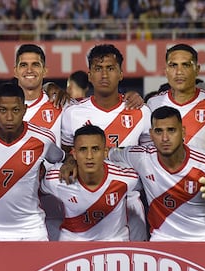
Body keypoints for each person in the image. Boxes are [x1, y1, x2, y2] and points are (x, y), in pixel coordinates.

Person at [61, 44, 152, 241]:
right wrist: (69, 161)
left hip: (130, 206)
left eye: (110, 68)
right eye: (98, 69)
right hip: (83, 207)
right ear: (90, 75)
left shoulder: (141, 112)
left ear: (120, 74)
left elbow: (148, 157)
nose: (104, 75)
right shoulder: (72, 113)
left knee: (131, 268)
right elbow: (67, 153)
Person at [108, 106, 205, 241]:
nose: (165, 138)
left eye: (171, 130)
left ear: (182, 132)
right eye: (159, 131)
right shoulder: (140, 157)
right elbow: (105, 153)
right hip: (162, 240)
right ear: (151, 135)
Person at [0, 83, 64, 241]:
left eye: (16, 110)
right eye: (3, 110)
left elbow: (60, 160)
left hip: (31, 229)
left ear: (24, 110)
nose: (9, 117)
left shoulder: (43, 138)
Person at [41, 125, 139, 241]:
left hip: (114, 244)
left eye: (95, 149)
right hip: (72, 245)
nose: (89, 156)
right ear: (74, 153)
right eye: (83, 150)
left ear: (105, 152)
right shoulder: (57, 178)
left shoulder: (127, 178)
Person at [147, 43, 205, 155]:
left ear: (197, 70)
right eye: (173, 65)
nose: (179, 72)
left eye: (186, 65)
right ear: (166, 71)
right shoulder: (152, 104)